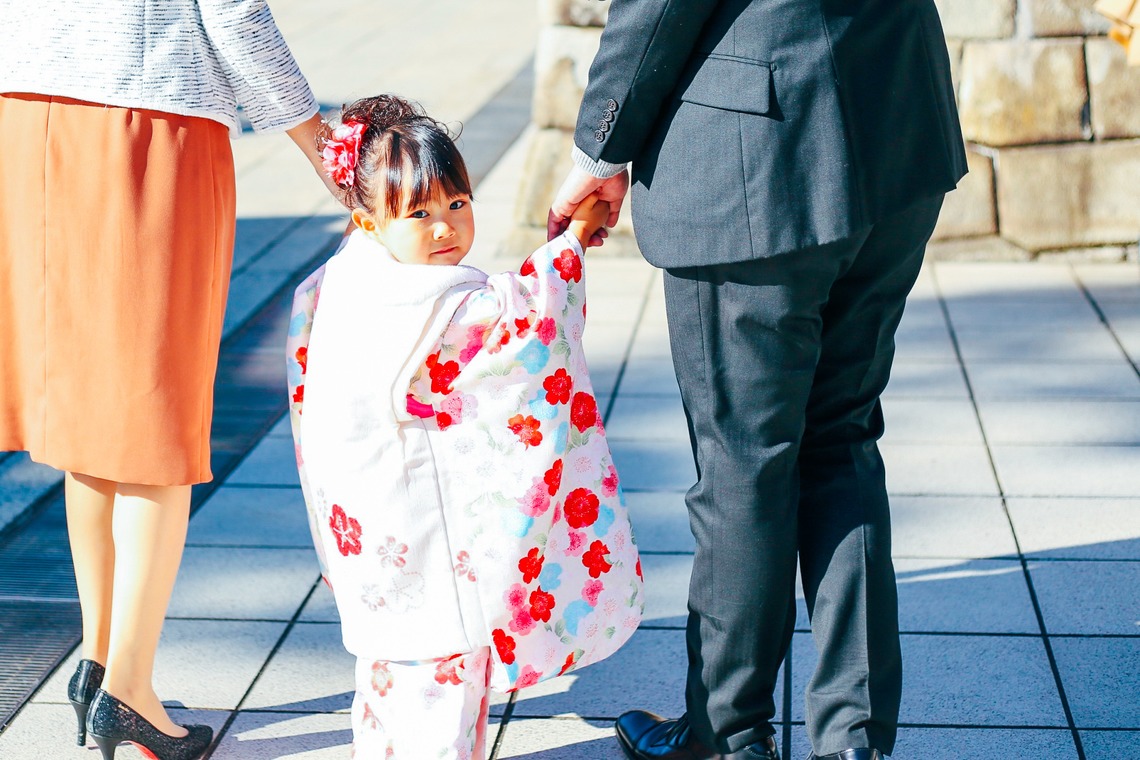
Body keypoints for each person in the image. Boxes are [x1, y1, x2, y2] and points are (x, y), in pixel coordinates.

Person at [548, 2, 968, 759]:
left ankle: (727, 737)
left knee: (746, 463)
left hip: (758, 153)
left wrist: (599, 151)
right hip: (894, 111)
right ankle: (853, 742)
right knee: (841, 438)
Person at [0, 1, 341, 758]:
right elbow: (229, 8)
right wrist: (322, 143)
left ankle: (102, 663)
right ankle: (128, 692)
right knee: (155, 413)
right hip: (143, 117)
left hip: (26, 114)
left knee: (88, 416)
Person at [285, 94, 644, 759]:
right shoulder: (439, 305)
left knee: (390, 680)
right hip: (425, 535)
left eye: (457, 204)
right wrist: (571, 241)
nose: (445, 227)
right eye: (418, 213)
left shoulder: (336, 284)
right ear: (369, 221)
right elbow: (530, 319)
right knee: (442, 686)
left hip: (369, 528)